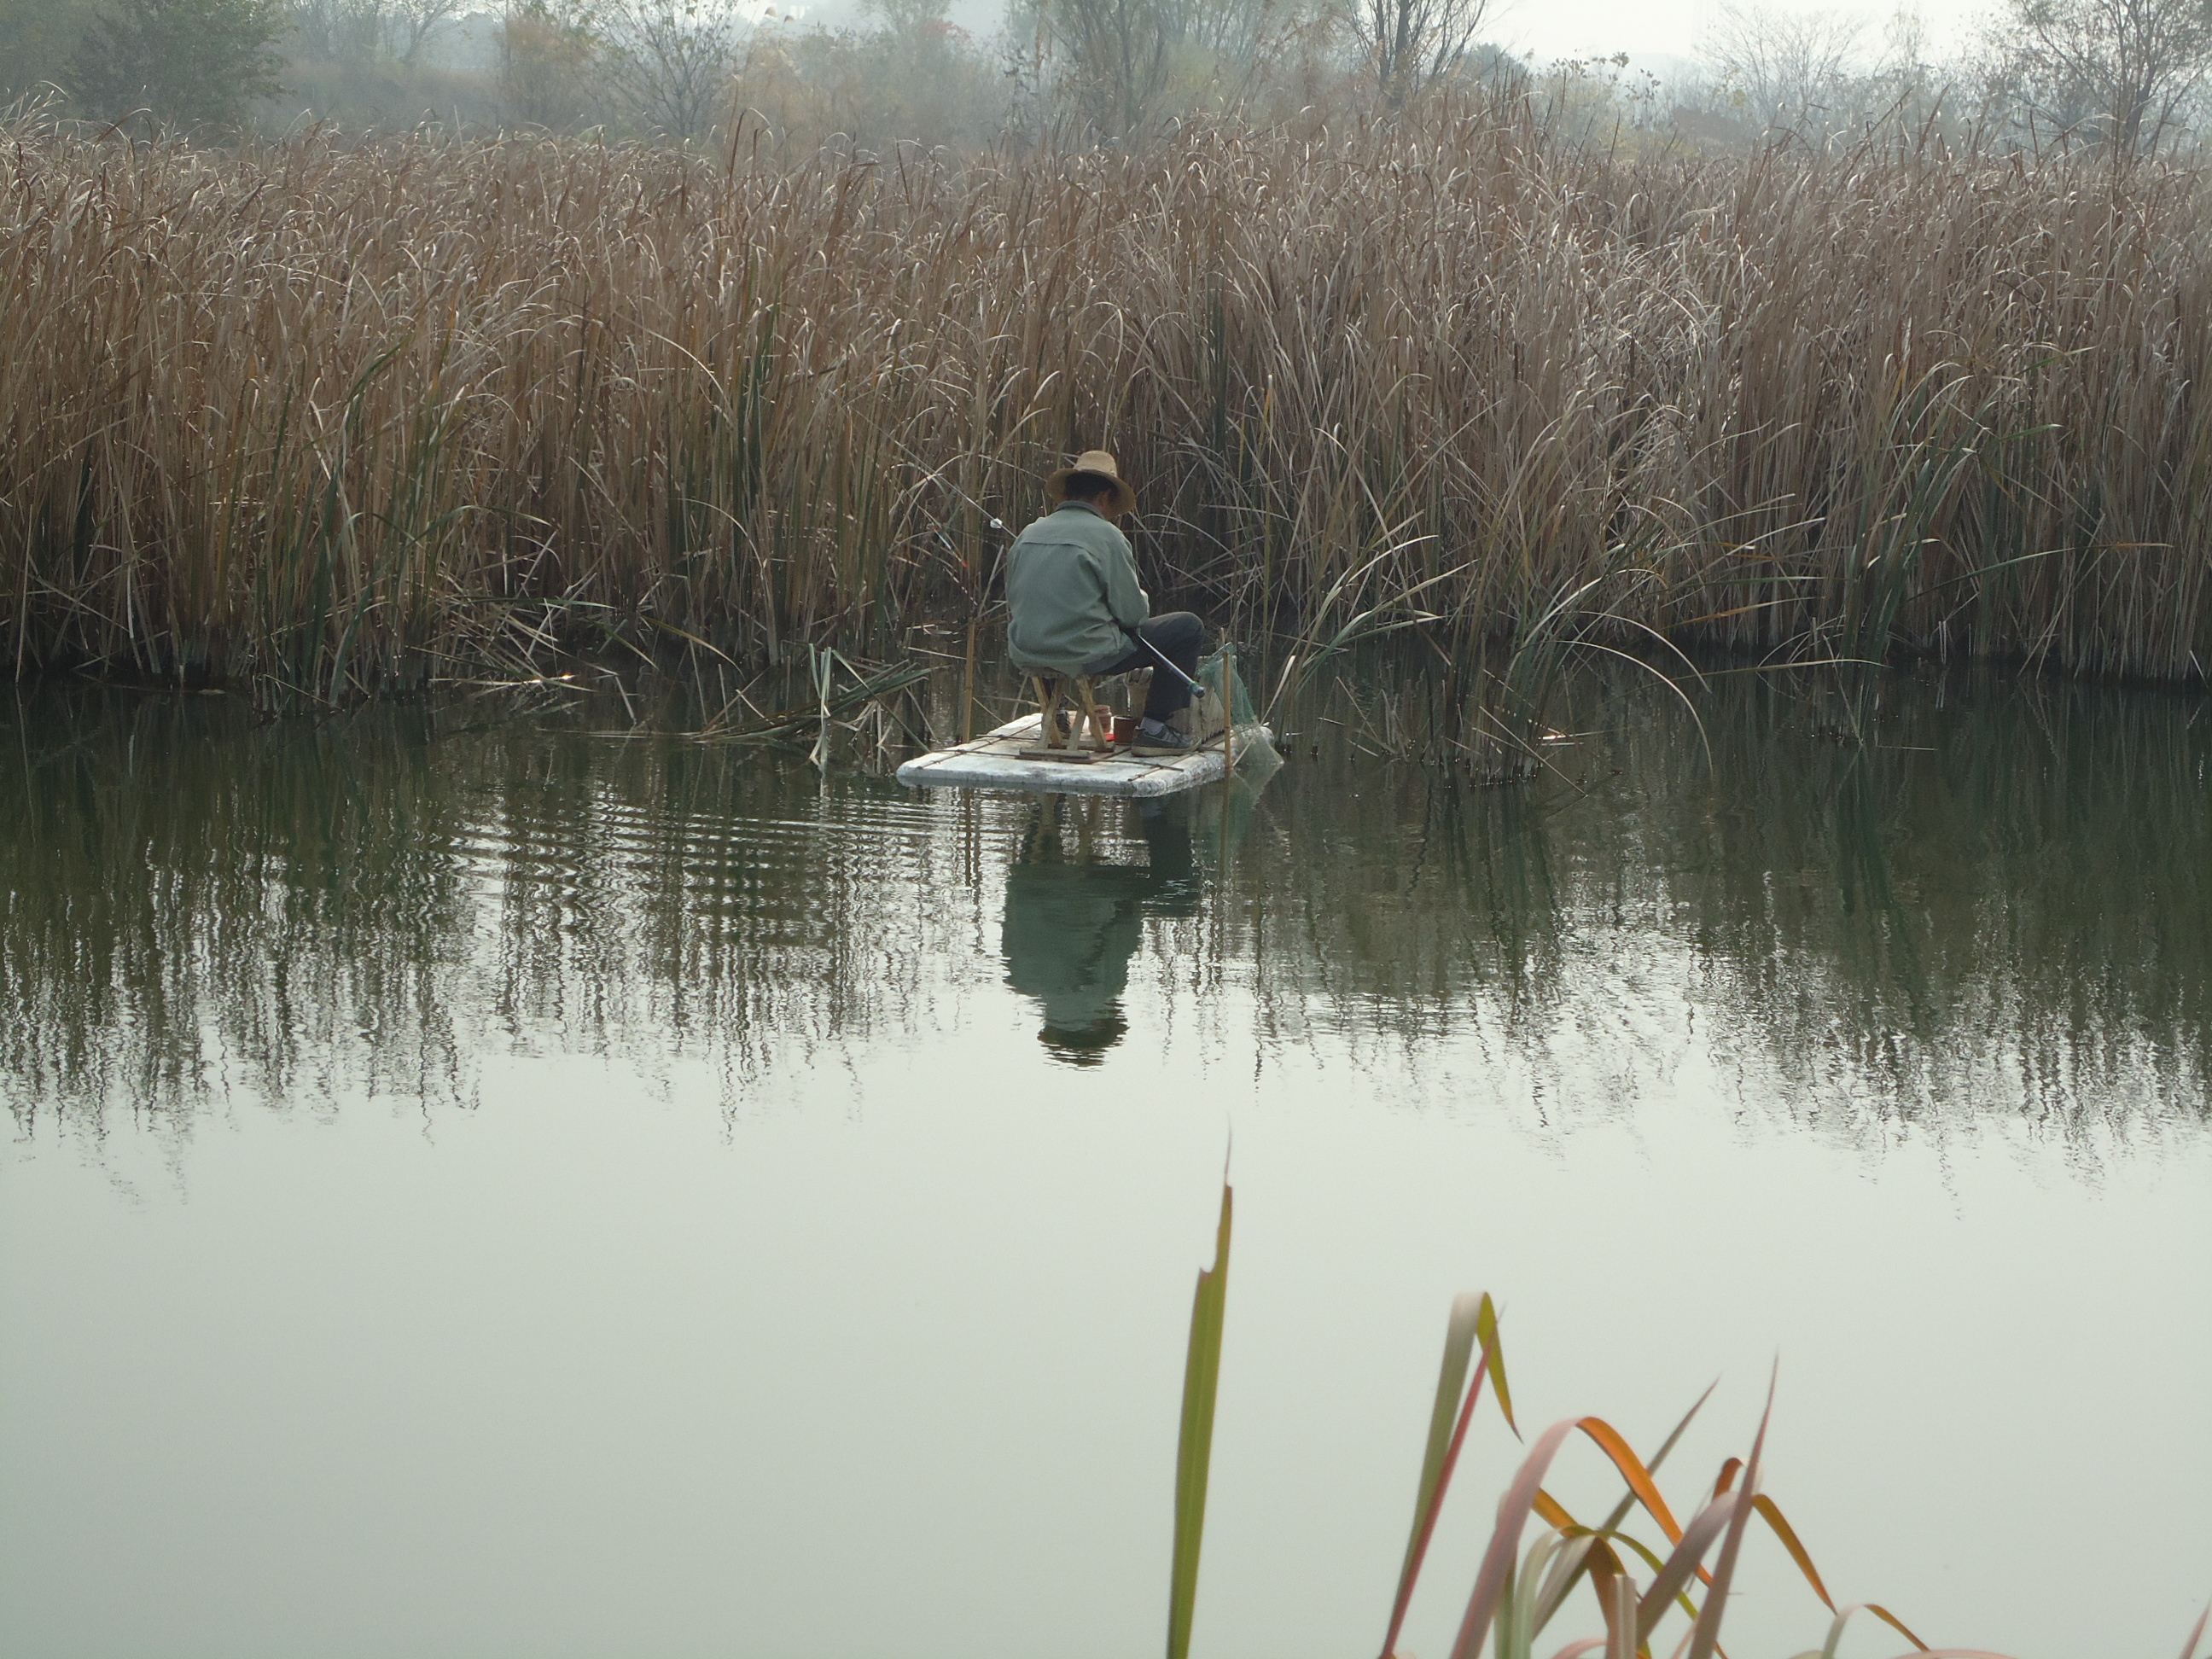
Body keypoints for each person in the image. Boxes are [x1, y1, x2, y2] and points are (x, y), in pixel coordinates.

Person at [1004, 449, 1206, 750]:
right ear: (1104, 497)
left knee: (1046, 622)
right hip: (1086, 653)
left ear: (1066, 494)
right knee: (1188, 627)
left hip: (1025, 649)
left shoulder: (1029, 533)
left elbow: (1017, 599)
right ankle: (1154, 730)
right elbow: (1132, 615)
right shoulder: (1107, 536)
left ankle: (1055, 714)